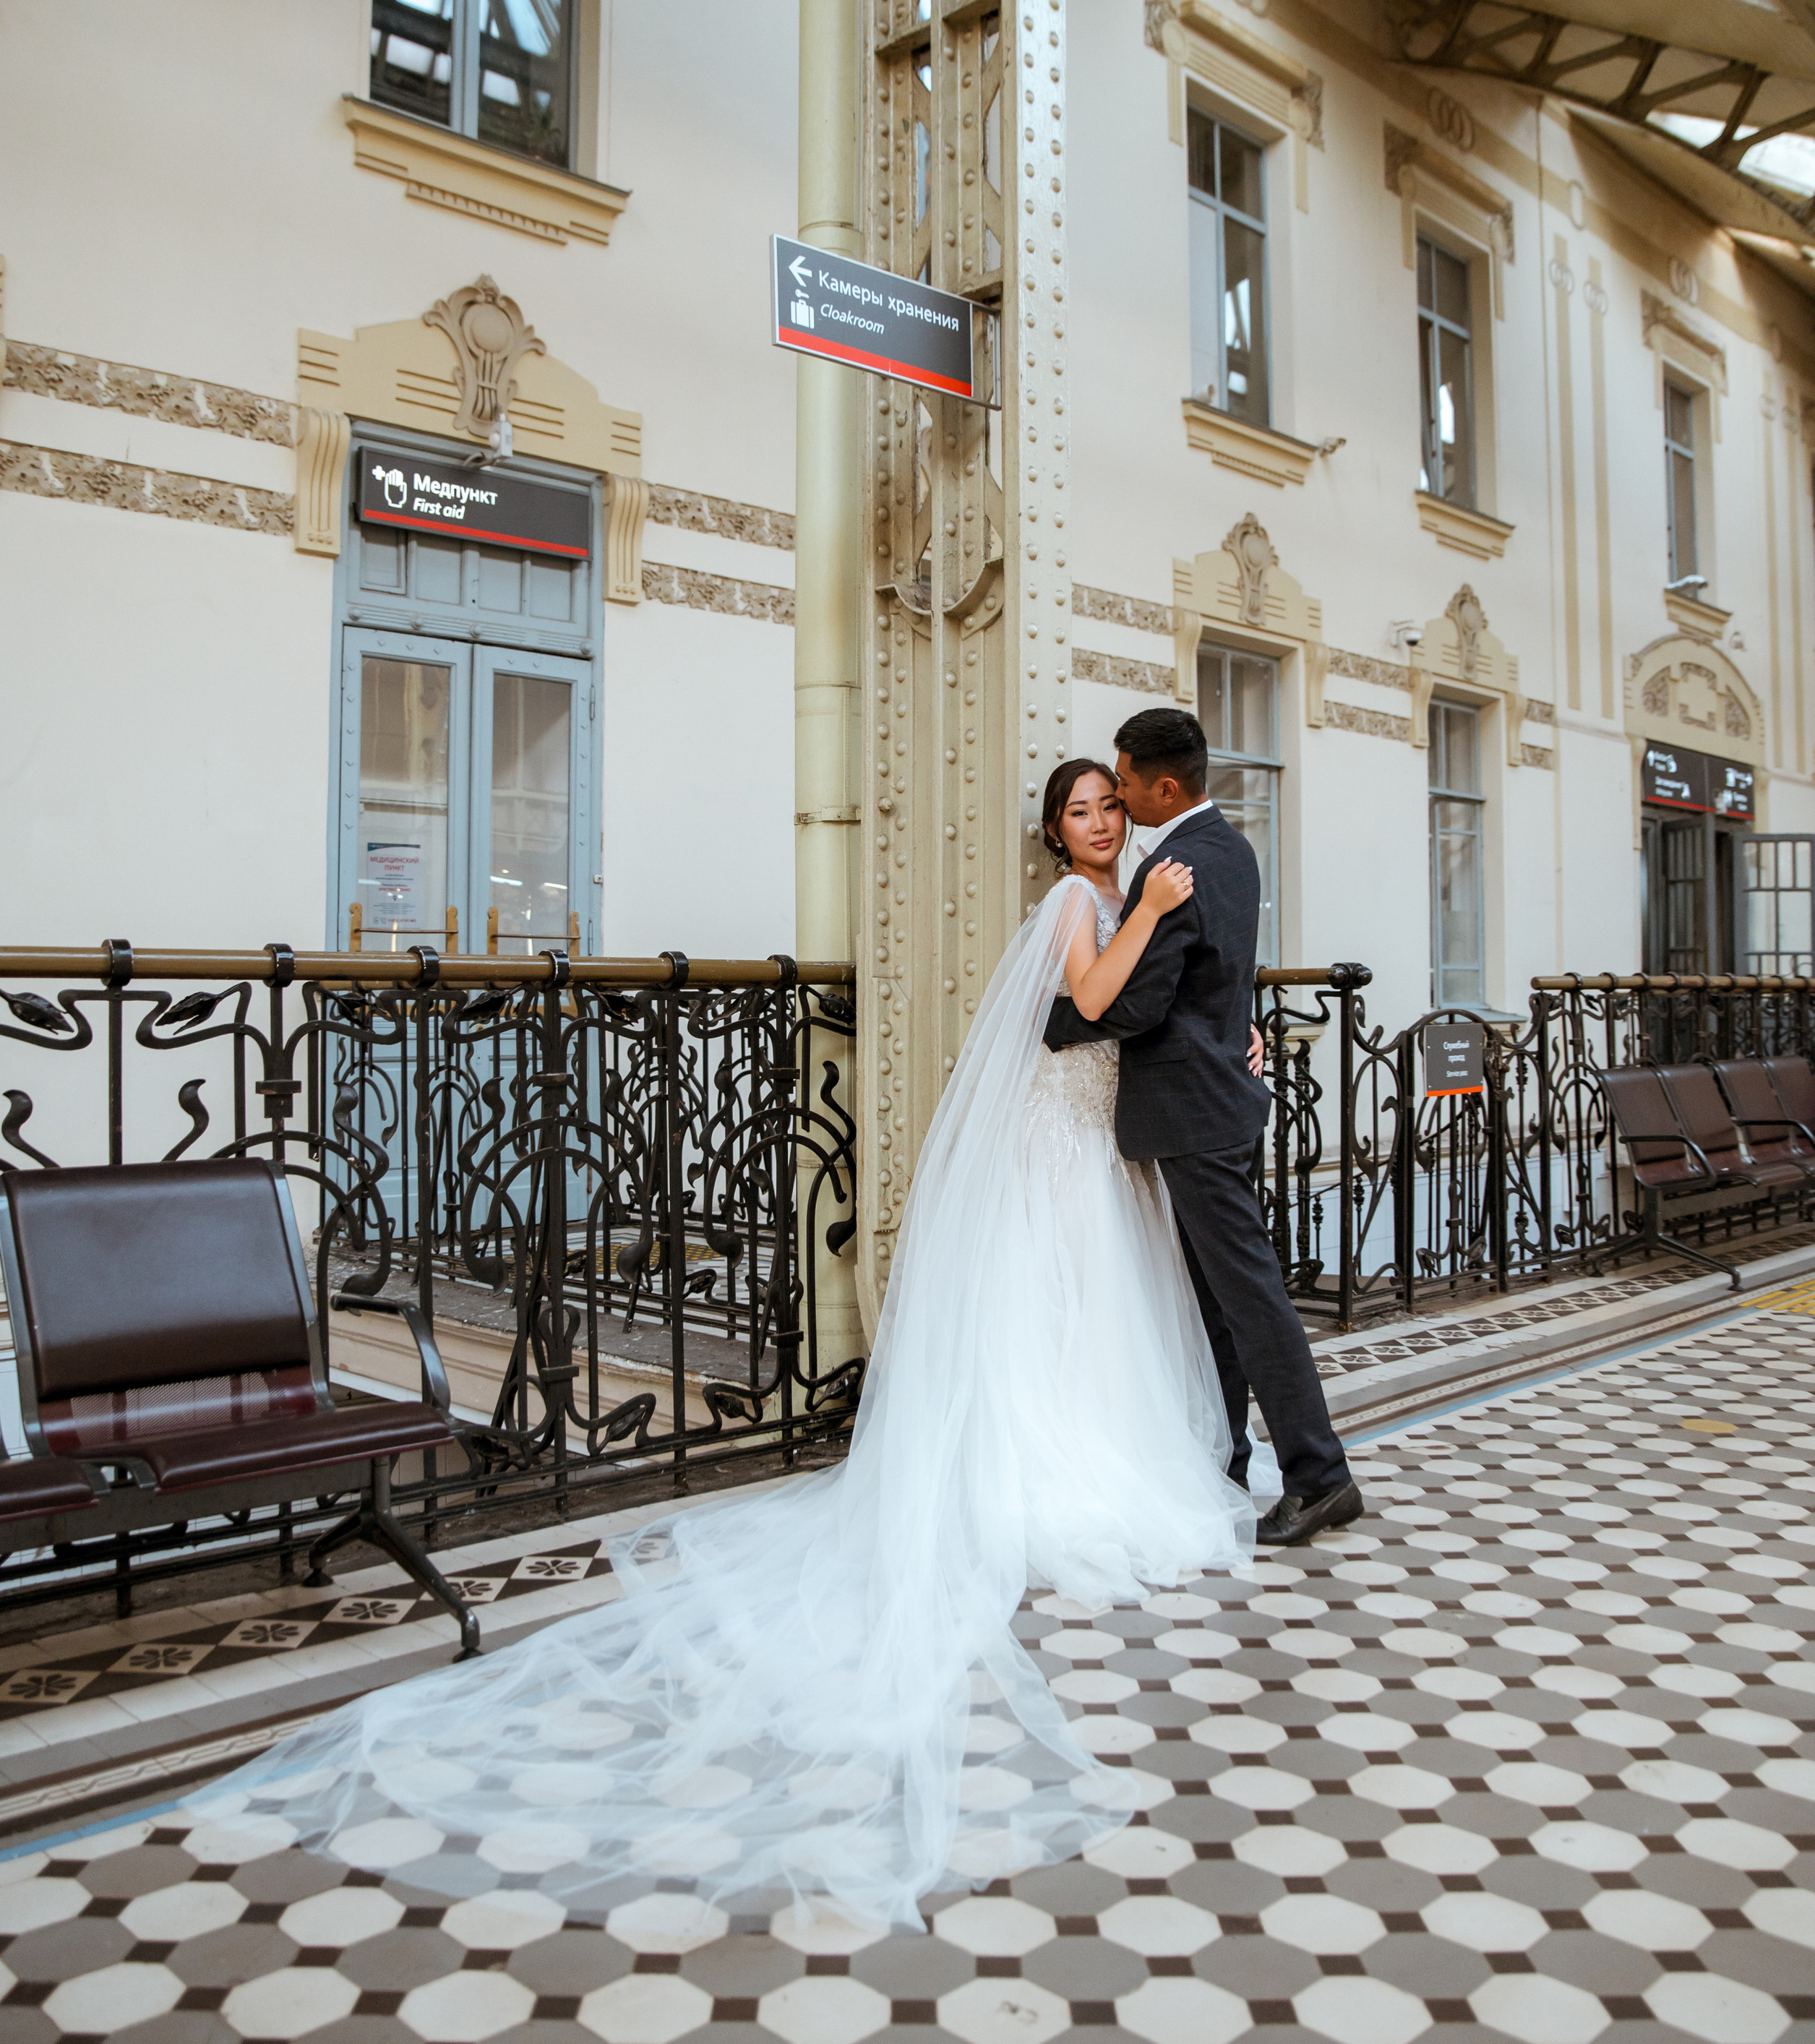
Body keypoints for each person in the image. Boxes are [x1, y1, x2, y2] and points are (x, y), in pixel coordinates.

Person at [188, 764, 1277, 1932]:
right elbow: (1104, 1001)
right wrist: (1154, 915)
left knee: (1089, 1311)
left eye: (1112, 806)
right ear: (1054, 834)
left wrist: (1230, 1028)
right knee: (1056, 1306)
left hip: (1096, 1136)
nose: (1103, 823)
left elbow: (1161, 1003)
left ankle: (1100, 1444)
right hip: (1060, 1135)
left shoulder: (1131, 896)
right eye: (1081, 811)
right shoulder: (1082, 905)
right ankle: (1051, 1466)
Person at [1045, 705, 1362, 1547]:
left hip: (1192, 1108)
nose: (1115, 797)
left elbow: (1141, 1002)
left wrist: (1052, 1024)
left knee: (1249, 1296)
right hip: (1217, 1096)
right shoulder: (1232, 846)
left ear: (1165, 787)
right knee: (1217, 1300)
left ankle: (1319, 1475)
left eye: (1123, 786)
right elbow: (1224, 973)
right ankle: (1219, 1456)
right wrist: (1237, 1030)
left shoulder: (1180, 861)